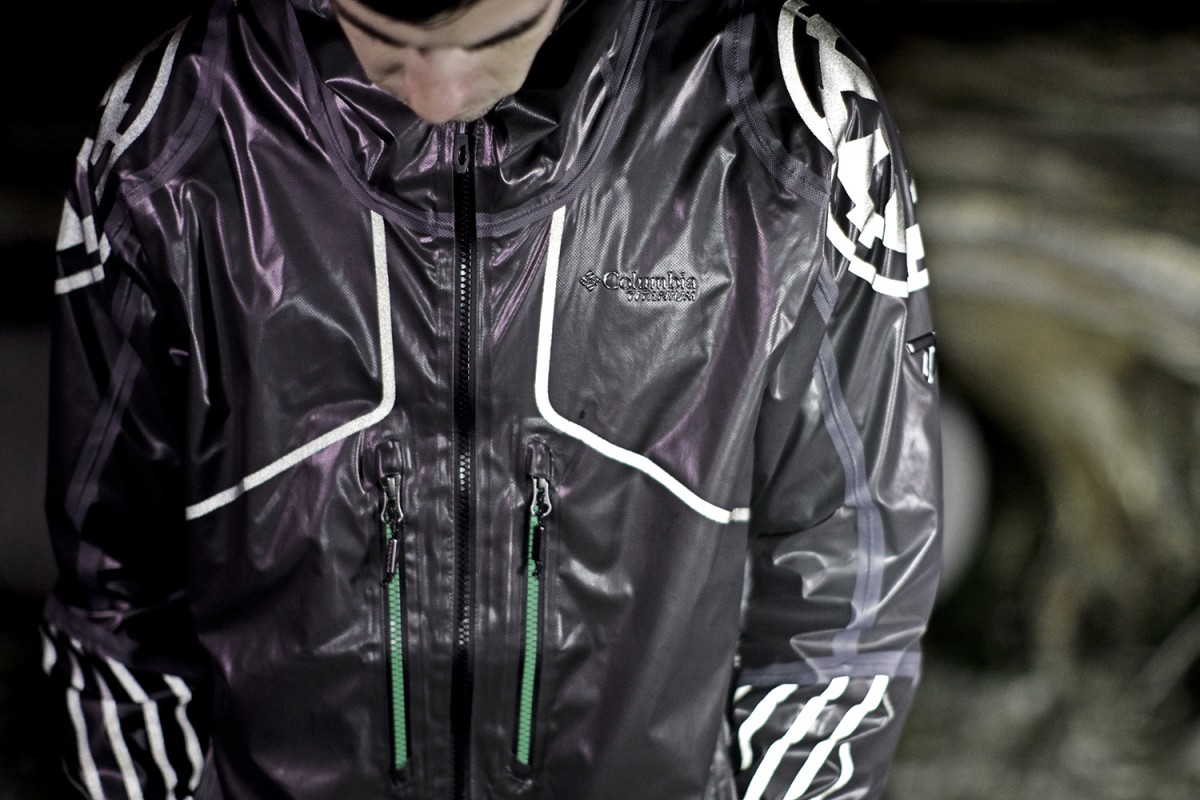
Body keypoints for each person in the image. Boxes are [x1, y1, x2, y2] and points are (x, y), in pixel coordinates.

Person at [40, 0, 942, 797]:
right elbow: (113, 581)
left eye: (489, 34)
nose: (436, 95)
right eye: (384, 37)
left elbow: (851, 574)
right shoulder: (173, 136)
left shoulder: (788, 119)